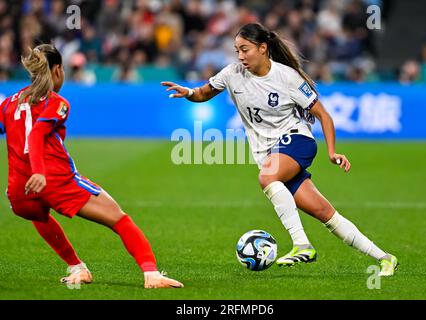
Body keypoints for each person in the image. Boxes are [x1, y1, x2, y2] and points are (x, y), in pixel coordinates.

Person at [162, 23, 398, 276]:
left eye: (245, 49)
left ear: (263, 48)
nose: (240, 56)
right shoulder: (232, 74)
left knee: (267, 176)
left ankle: (302, 245)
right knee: (326, 214)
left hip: (296, 141)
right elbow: (203, 93)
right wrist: (187, 91)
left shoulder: (287, 77)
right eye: (237, 50)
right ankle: (384, 258)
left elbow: (323, 116)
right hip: (272, 154)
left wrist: (332, 151)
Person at [0, 44, 183, 289]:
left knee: (40, 215)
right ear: (57, 70)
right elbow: (35, 135)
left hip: (19, 191)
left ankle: (77, 267)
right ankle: (151, 274)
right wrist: (40, 171)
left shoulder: (8, 103)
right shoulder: (57, 102)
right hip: (53, 179)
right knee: (120, 219)